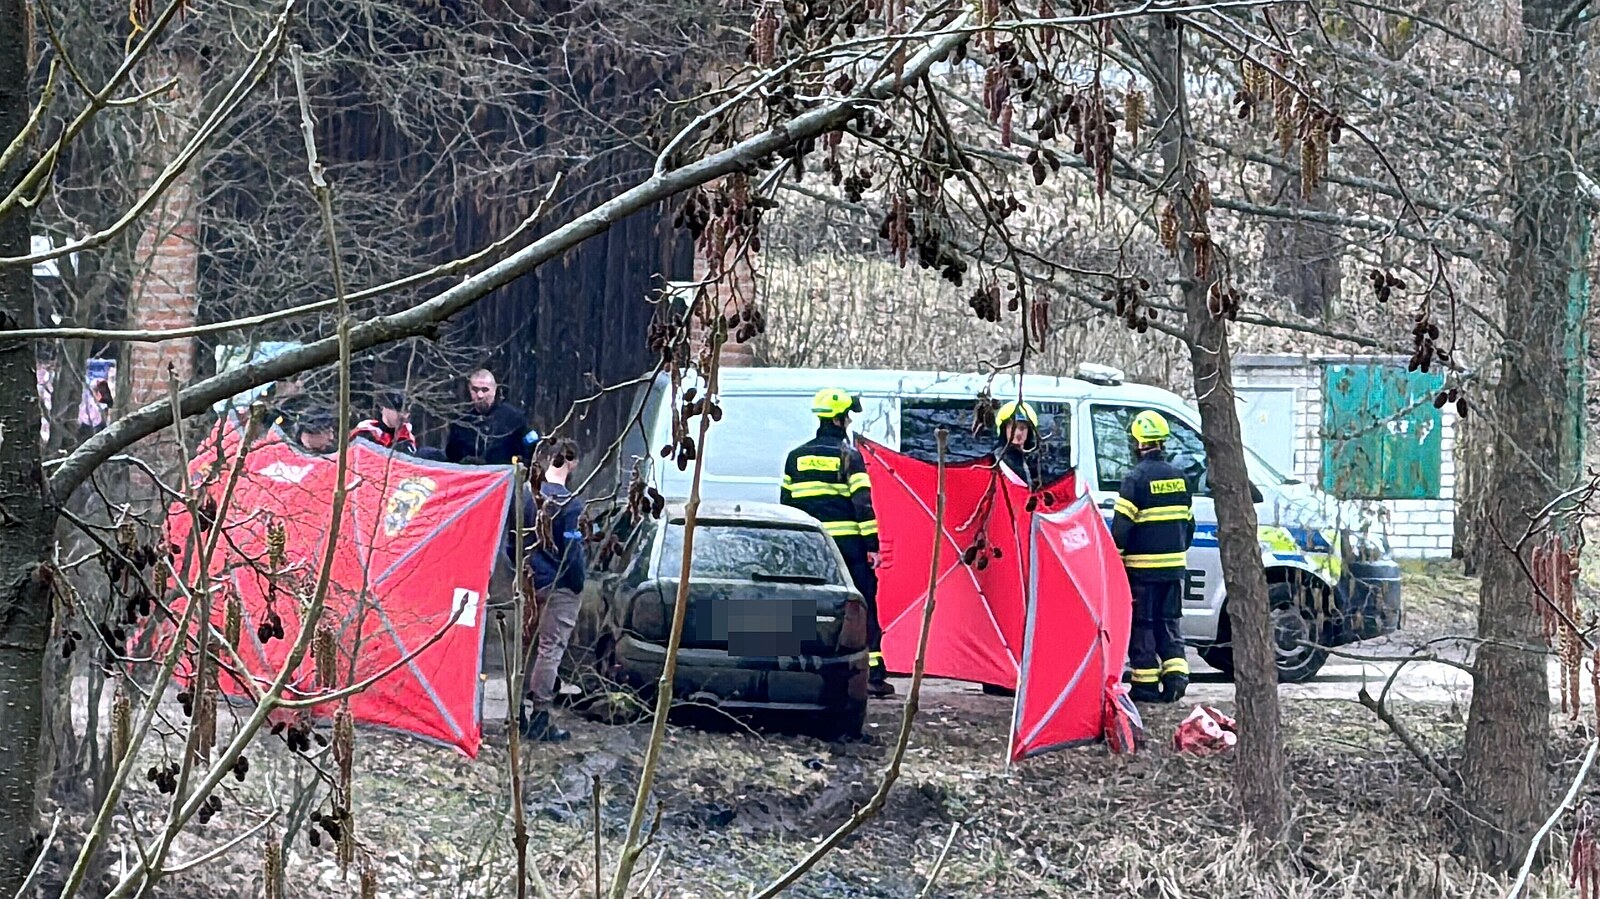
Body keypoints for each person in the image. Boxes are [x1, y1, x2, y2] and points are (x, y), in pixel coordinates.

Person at [780, 388, 894, 699]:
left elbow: (786, 507)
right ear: (841, 419)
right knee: (861, 606)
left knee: (806, 606)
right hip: (848, 548)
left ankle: (800, 671)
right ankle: (872, 675)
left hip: (810, 549)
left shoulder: (795, 458)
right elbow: (862, 505)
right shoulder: (849, 457)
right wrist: (872, 546)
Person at [1109, 410, 1194, 704]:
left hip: (1141, 573)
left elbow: (1121, 530)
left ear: (1138, 442)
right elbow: (1189, 526)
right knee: (1169, 623)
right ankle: (1176, 679)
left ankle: (1145, 686)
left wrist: (1114, 563)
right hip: (1173, 570)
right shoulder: (1181, 478)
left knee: (1143, 625)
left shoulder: (1135, 479)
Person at [514, 437, 586, 743]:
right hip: (558, 587)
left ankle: (516, 713)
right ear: (571, 463)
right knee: (549, 649)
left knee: (525, 648)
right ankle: (542, 716)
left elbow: (510, 542)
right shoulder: (570, 505)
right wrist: (576, 583)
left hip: (528, 582)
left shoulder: (525, 498)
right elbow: (573, 549)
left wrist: (523, 571)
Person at [445, 369, 531, 465]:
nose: (480, 395)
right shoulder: (461, 421)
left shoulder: (514, 419)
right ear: (469, 389)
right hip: (469, 476)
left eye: (485, 390)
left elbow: (532, 451)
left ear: (494, 390)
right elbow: (451, 457)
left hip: (503, 477)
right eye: (475, 390)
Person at [992, 399, 1042, 488]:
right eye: (1013, 428)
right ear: (1004, 430)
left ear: (1029, 432)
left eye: (1022, 428)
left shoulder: (1035, 458)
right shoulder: (1000, 458)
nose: (1018, 433)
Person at [351, 391, 418, 454]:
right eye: (399, 410)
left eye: (406, 412)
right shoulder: (366, 433)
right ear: (383, 409)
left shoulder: (407, 437)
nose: (404, 416)